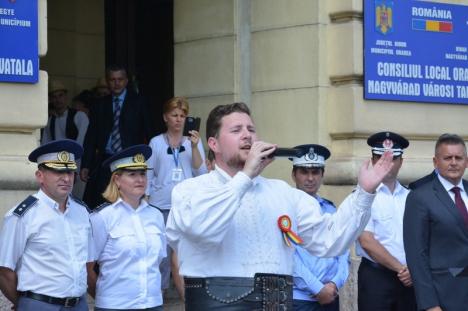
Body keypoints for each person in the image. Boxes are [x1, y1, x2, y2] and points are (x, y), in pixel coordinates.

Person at [166, 102, 394, 310]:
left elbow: (330, 239)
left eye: (251, 130)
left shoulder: (283, 192)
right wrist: (245, 176)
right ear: (213, 144)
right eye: (236, 130)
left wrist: (365, 192)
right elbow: (203, 230)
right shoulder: (190, 191)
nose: (247, 136)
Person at [0, 139, 93, 311]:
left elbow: (87, 262)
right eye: (58, 172)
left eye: (70, 172)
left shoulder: (82, 212)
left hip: (78, 305)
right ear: (40, 176)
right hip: (39, 304)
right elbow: (5, 270)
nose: (66, 178)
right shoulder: (23, 215)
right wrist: (26, 304)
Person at [87, 145, 166, 311]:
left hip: (152, 304)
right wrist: (105, 296)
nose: (140, 179)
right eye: (132, 174)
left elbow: (156, 263)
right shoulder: (102, 217)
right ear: (116, 179)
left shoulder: (156, 216)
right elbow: (87, 267)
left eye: (143, 174)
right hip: (115, 306)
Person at [146, 96, 207, 293]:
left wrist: (196, 146)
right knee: (162, 253)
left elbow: (201, 172)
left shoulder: (193, 142)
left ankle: (188, 295)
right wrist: (145, 200)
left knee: (184, 254)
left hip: (185, 205)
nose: (179, 119)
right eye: (174, 115)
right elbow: (148, 171)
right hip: (161, 204)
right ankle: (160, 292)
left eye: (182, 115)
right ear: (165, 117)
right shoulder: (155, 142)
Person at [404, 133, 468, 311]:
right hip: (444, 297)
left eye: (458, 158)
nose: (454, 162)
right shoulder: (420, 197)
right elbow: (417, 256)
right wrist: (430, 304)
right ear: (435, 162)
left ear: (466, 161)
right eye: (447, 158)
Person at [356, 131, 417, 311]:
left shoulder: (411, 197)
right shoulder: (363, 196)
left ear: (401, 162)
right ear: (373, 160)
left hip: (409, 280)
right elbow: (367, 242)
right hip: (377, 278)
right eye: (381, 158)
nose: (386, 164)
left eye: (392, 158)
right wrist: (401, 269)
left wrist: (412, 271)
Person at [81, 65, 153, 208]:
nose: (116, 83)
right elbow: (91, 137)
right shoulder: (99, 104)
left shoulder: (139, 102)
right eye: (112, 80)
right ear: (108, 82)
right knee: (100, 203)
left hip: (130, 161)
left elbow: (149, 132)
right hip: (105, 161)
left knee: (128, 201)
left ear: (126, 81)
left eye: (120, 79)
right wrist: (85, 165)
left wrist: (148, 163)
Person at [290, 144, 349, 311]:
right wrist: (318, 288)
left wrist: (334, 284)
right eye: (304, 172)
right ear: (294, 175)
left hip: (331, 296)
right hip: (300, 299)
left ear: (322, 175)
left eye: (315, 172)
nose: (310, 178)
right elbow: (288, 257)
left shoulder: (330, 209)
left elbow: (343, 252)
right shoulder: (285, 209)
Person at [41, 80, 89, 147]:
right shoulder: (50, 120)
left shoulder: (79, 116)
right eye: (54, 97)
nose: (58, 100)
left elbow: (82, 142)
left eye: (60, 95)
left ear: (66, 96)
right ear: (50, 100)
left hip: (75, 156)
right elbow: (45, 144)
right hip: (56, 157)